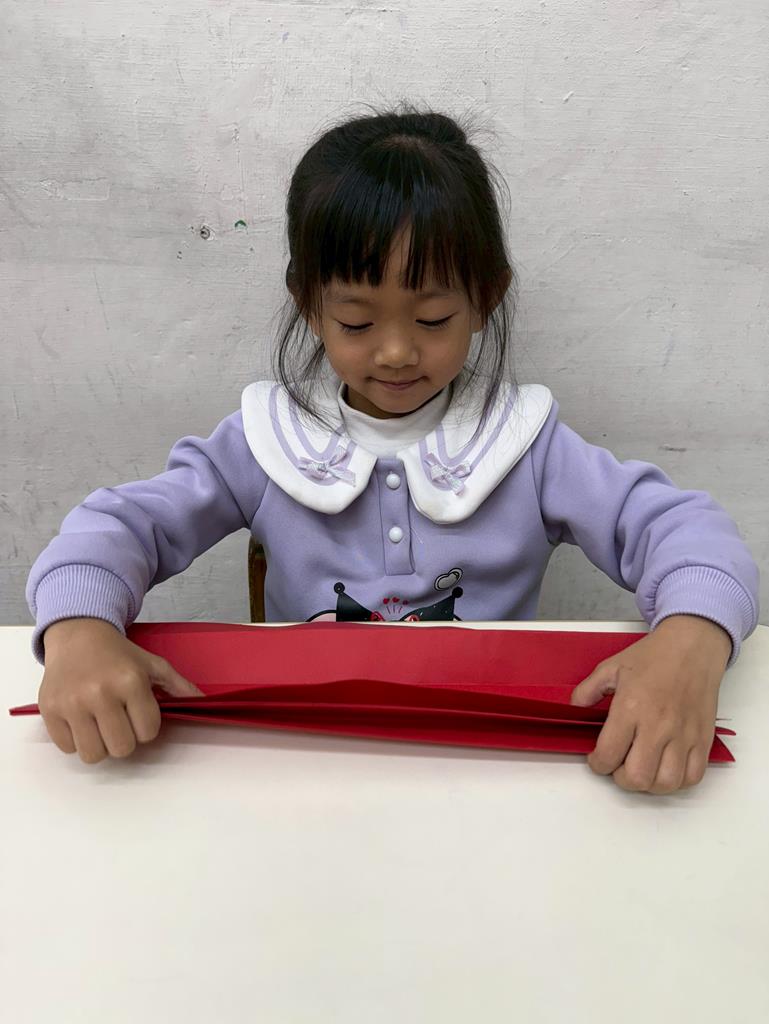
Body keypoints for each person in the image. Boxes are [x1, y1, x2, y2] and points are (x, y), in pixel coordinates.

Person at [26, 102, 760, 792]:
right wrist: (79, 630)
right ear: (308, 302)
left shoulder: (525, 446)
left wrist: (690, 642)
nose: (398, 352)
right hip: (302, 761)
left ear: (486, 296)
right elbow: (119, 526)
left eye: (434, 317)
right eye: (356, 322)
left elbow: (684, 531)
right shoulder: (264, 442)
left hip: (491, 758)